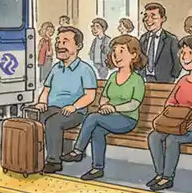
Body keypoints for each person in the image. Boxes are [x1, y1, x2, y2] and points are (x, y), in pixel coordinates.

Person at [60, 35, 147, 180]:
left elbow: (134, 104)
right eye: (114, 51)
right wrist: (105, 105)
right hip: (110, 117)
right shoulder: (112, 77)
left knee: (93, 117)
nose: (116, 55)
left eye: (121, 51)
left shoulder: (137, 80)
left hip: (127, 120)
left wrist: (114, 108)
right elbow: (104, 97)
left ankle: (78, 151)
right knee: (98, 131)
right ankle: (97, 168)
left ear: (133, 55)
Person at [146, 35, 192, 191]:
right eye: (183, 53)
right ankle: (160, 173)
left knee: (173, 140)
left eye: (190, 53)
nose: (185, 57)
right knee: (154, 136)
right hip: (176, 124)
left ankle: (168, 177)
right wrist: (171, 114)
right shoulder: (182, 81)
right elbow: (170, 101)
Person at [31, 26, 98, 174]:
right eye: (58, 41)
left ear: (78, 46)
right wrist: (42, 102)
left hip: (76, 112)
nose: (60, 46)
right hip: (53, 108)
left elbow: (90, 96)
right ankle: (31, 157)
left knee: (53, 122)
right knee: (33, 120)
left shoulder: (85, 69)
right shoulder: (55, 68)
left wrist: (74, 106)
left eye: (65, 42)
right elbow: (46, 90)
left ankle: (54, 161)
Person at [138, 3, 181, 83]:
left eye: (153, 16)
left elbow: (177, 63)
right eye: (146, 16)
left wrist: (172, 78)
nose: (148, 20)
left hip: (165, 81)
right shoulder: (143, 39)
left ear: (163, 18)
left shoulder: (171, 39)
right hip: (144, 80)